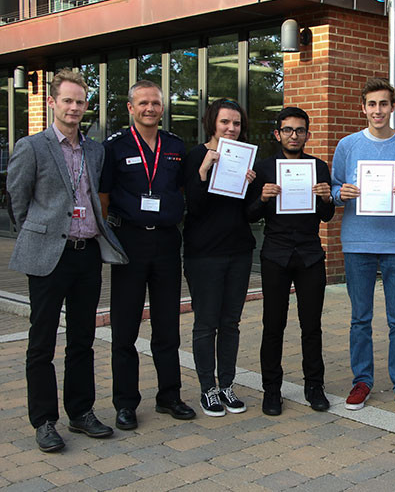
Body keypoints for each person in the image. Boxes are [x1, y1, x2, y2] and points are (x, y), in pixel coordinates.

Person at [7, 69, 127, 452]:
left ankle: (81, 413)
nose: (74, 108)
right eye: (68, 101)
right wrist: (40, 233)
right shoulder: (32, 146)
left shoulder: (95, 150)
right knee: (41, 342)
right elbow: (18, 202)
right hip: (48, 256)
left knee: (82, 340)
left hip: (86, 254)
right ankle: (44, 420)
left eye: (80, 101)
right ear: (53, 103)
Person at [100, 80, 195, 430]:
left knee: (167, 324)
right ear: (130, 107)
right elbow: (103, 196)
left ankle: (170, 396)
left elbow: (184, 188)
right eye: (143, 103)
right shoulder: (115, 147)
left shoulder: (174, 145)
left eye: (155, 103)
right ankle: (125, 403)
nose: (150, 108)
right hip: (130, 242)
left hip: (168, 243)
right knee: (125, 327)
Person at [331, 77, 395, 413]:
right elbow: (333, 189)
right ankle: (362, 381)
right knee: (361, 317)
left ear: (393, 107)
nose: (378, 111)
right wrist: (340, 193)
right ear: (363, 108)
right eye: (372, 104)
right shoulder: (348, 145)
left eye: (384, 104)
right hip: (358, 241)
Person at [247, 106, 335, 416]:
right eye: (288, 130)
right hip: (275, 253)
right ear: (277, 134)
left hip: (310, 254)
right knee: (273, 325)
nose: (294, 135)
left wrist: (327, 198)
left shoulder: (319, 167)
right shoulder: (264, 168)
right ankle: (271, 390)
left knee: (311, 326)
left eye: (299, 130)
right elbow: (249, 214)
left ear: (308, 135)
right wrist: (263, 198)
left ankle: (315, 386)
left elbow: (326, 216)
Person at [183, 99, 256, 417]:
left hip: (238, 251)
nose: (231, 128)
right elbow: (193, 209)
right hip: (204, 254)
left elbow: (251, 214)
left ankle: (226, 385)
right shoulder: (194, 157)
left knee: (231, 323)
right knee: (206, 323)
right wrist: (203, 171)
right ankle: (207, 390)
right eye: (225, 122)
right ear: (212, 122)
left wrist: (252, 187)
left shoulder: (245, 157)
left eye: (237, 123)